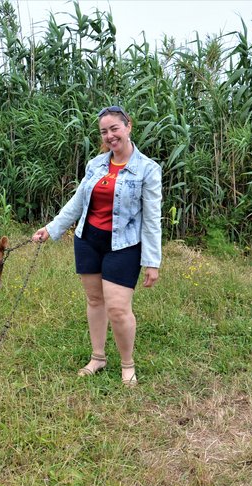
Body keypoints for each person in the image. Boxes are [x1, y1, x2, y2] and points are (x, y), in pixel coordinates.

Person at [32, 105, 162, 386]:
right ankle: (98, 357)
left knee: (118, 308)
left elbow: (152, 219)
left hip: (124, 245)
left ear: (128, 127)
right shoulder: (96, 165)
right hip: (88, 241)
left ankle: (127, 364)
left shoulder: (148, 170)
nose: (110, 136)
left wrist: (152, 261)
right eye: (104, 132)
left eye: (114, 128)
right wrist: (51, 229)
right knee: (94, 300)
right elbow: (77, 203)